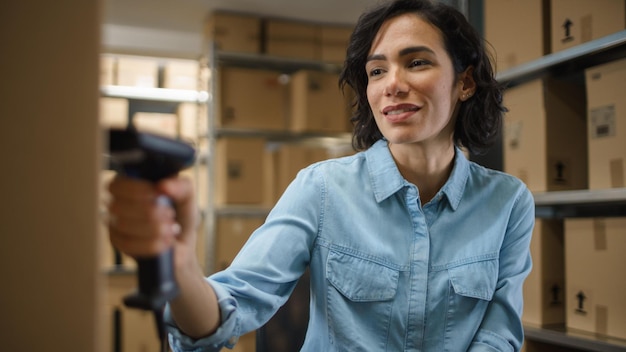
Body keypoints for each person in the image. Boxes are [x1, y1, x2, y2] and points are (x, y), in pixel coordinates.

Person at [107, 0, 535, 350]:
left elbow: (498, 336)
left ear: (465, 83)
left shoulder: (508, 202)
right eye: (377, 70)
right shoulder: (323, 188)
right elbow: (233, 305)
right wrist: (179, 262)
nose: (392, 84)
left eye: (417, 62)